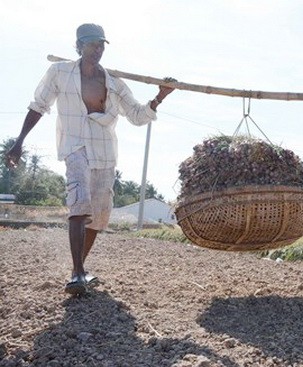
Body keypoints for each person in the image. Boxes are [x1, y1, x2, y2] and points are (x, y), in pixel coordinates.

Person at [4, 24, 176, 296]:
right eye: (92, 44)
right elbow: (38, 106)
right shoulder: (60, 73)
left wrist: (159, 97)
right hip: (75, 145)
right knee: (79, 199)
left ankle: (80, 268)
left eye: (101, 45)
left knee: (100, 212)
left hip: (105, 150)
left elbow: (137, 115)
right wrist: (18, 143)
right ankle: (76, 272)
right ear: (79, 45)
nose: (97, 49)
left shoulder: (115, 84)